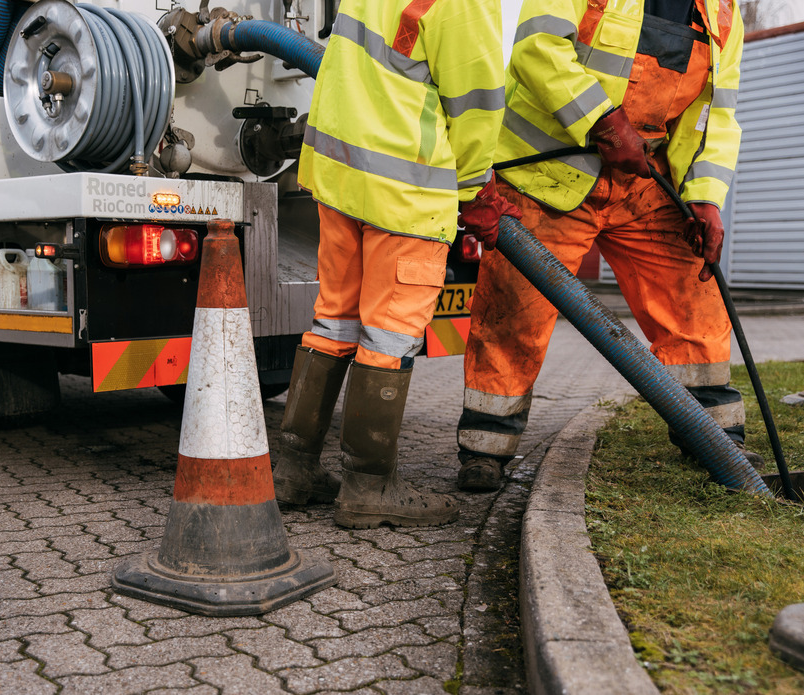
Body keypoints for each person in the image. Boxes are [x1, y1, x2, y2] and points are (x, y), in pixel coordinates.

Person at [456, 0, 751, 493]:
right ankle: (486, 447)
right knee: (515, 313)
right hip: (547, 178)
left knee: (692, 301)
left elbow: (715, 116)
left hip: (643, 184)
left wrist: (704, 198)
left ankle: (717, 440)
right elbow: (537, 48)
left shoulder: (722, 12)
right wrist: (605, 123)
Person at [271, 0, 517, 528]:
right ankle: (369, 484)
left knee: (333, 319)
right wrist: (475, 190)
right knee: (390, 333)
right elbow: (476, 108)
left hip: (340, 177)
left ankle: (293, 470)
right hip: (405, 191)